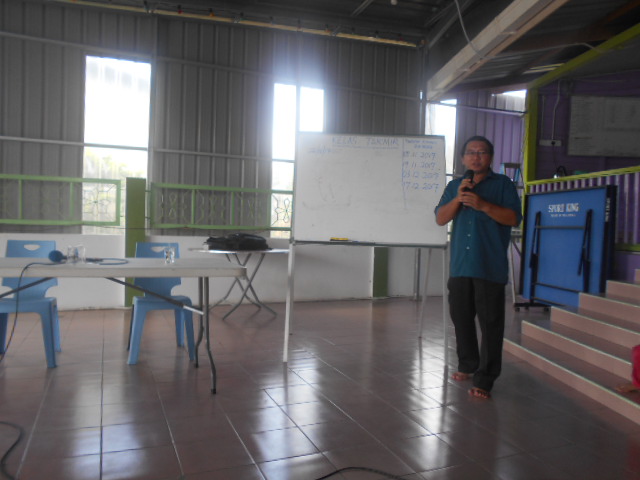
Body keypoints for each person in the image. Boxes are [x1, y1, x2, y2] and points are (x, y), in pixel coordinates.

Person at [434, 135, 522, 400]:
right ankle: (468, 364)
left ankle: (486, 378)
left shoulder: (503, 185)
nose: (476, 157)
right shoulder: (455, 186)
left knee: (491, 324)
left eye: (482, 152)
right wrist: (458, 199)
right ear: (463, 158)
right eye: (471, 152)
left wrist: (483, 205)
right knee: (461, 319)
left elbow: (513, 218)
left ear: (490, 157)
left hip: (489, 265)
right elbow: (440, 218)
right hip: (461, 265)